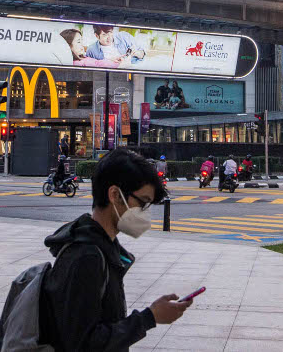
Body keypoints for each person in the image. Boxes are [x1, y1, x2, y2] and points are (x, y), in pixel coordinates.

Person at [34, 148, 189, 351]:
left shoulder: (101, 247)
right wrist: (150, 317)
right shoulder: (87, 256)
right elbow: (84, 342)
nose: (145, 213)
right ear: (115, 194)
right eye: (142, 203)